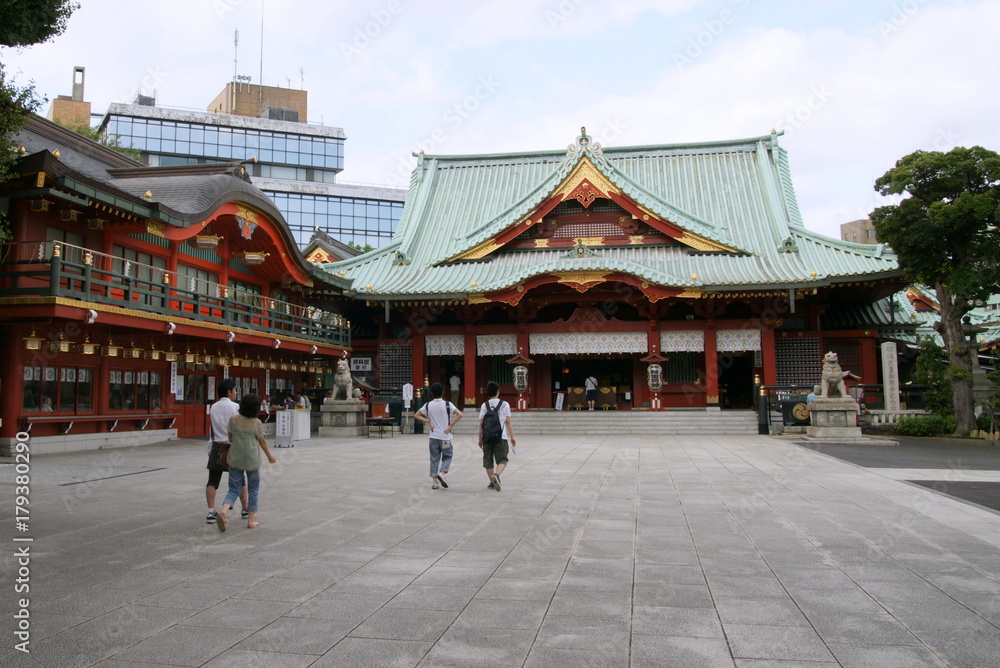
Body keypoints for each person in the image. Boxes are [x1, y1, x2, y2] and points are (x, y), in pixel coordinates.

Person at [217, 393, 277, 531]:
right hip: (252, 460)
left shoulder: (233, 420)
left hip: (235, 459)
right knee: (253, 489)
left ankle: (224, 511)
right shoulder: (256, 423)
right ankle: (250, 520)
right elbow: (262, 441)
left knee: (234, 489)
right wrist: (269, 456)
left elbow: (230, 437)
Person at [206, 378, 247, 524]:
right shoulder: (235, 407)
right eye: (235, 390)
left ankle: (211, 511)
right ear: (229, 392)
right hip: (232, 446)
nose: (236, 392)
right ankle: (245, 508)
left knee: (212, 480)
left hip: (217, 445)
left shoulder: (213, 407)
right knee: (240, 480)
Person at [414, 382, 462, 490]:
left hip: (434, 436)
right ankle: (442, 473)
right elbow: (460, 414)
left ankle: (435, 482)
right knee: (447, 456)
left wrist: (428, 421)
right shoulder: (448, 404)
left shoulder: (428, 405)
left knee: (434, 458)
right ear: (443, 392)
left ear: (431, 393)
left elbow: (416, 415)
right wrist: (450, 426)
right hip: (445, 436)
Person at [479, 381, 515, 491]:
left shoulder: (484, 405)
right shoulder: (505, 404)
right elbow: (508, 421)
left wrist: (480, 438)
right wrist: (512, 437)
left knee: (488, 461)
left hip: (487, 437)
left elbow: (481, 423)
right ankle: (497, 475)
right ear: (498, 392)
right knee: (503, 459)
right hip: (501, 437)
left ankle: (491, 482)